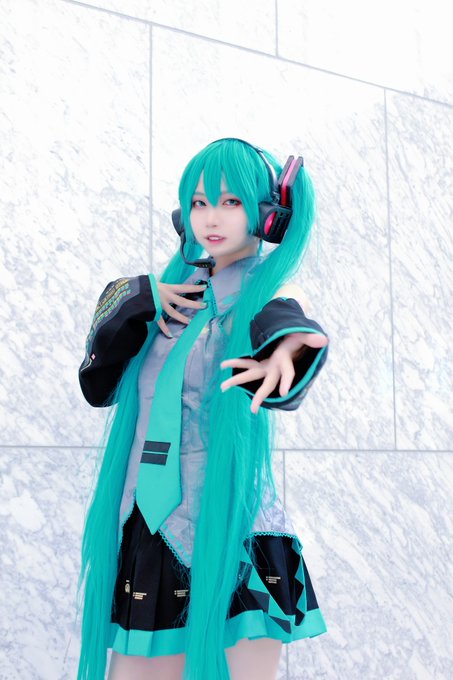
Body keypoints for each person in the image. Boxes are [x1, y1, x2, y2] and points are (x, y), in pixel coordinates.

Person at [75, 138, 330, 680]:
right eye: (199, 203)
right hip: (146, 521)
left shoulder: (265, 294)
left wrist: (285, 355)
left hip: (228, 524)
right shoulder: (169, 295)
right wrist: (140, 300)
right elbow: (99, 385)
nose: (211, 218)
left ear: (268, 212)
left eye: (230, 202)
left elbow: (291, 329)